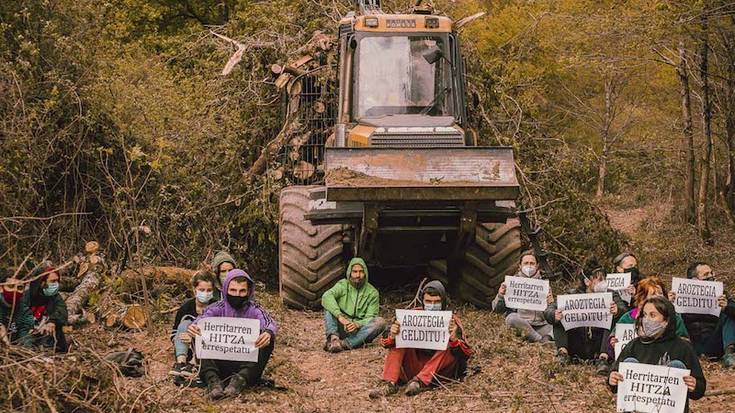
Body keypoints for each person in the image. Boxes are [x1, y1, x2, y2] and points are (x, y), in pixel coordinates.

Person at [369, 280, 472, 398]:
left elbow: (467, 354)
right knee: (400, 337)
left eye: (437, 302)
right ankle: (389, 383)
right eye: (428, 301)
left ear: (443, 302)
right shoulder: (412, 316)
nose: (432, 305)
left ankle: (420, 382)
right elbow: (386, 343)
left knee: (447, 343)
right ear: (422, 302)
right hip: (413, 368)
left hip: (437, 373)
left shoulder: (452, 321)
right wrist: (392, 335)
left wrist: (454, 340)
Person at [188, 269, 277, 399]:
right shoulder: (216, 307)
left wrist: (268, 333)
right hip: (218, 361)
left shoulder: (255, 309)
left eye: (242, 291)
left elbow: (270, 323)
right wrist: (194, 327)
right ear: (225, 290)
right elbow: (201, 319)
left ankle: (239, 381)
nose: (237, 295)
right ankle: (213, 381)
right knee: (199, 333)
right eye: (233, 290)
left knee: (268, 338)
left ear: (248, 292)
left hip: (246, 365)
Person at [609, 296, 706, 413]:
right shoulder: (634, 345)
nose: (646, 319)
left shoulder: (683, 347)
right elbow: (614, 377)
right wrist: (612, 379)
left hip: (668, 408)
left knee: (676, 365)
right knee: (630, 362)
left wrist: (694, 385)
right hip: (638, 408)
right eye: (644, 315)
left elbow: (700, 388)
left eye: (652, 315)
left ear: (666, 321)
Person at [546, 260, 619, 375]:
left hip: (598, 343)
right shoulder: (572, 295)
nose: (603, 283)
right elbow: (550, 311)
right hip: (577, 343)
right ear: (587, 281)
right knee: (560, 317)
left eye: (604, 279)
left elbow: (623, 309)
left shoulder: (611, 295)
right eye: (599, 280)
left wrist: (617, 310)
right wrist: (554, 315)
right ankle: (563, 354)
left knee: (611, 320)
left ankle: (603, 359)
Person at [668, 262, 735, 368]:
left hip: (715, 342)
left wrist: (727, 308)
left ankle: (730, 354)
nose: (711, 276)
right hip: (690, 343)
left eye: (711, 273)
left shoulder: (721, 294)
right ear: (694, 280)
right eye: (706, 275)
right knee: (674, 316)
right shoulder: (679, 295)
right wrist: (669, 304)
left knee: (728, 315)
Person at [608, 276, 689, 360]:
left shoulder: (674, 318)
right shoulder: (627, 318)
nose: (658, 297)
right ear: (642, 298)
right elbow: (613, 344)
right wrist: (613, 344)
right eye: (653, 294)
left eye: (660, 293)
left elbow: (685, 343)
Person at [321, 257, 386, 352]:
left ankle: (344, 344)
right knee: (329, 308)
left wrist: (357, 324)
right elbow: (326, 296)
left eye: (361, 272)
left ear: (365, 273)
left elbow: (371, 316)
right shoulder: (342, 285)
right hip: (341, 327)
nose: (358, 275)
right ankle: (334, 339)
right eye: (354, 272)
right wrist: (340, 317)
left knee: (380, 322)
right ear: (349, 273)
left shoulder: (372, 292)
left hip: (359, 332)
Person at [492, 251, 554, 343]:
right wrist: (501, 295)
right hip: (521, 324)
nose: (529, 266)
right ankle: (541, 340)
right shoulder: (511, 283)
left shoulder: (544, 286)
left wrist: (551, 303)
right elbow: (497, 309)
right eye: (526, 263)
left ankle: (540, 337)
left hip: (541, 325)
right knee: (511, 318)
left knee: (561, 323)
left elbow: (551, 315)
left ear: (537, 266)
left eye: (532, 263)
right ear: (520, 266)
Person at [169, 271, 218, 385]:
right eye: (201, 290)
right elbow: (174, 333)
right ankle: (181, 364)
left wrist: (196, 338)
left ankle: (195, 366)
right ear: (194, 289)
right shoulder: (186, 307)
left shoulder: (217, 307)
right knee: (185, 323)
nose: (205, 293)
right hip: (188, 350)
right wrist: (184, 338)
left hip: (209, 349)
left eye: (209, 290)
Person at [23, 267, 69, 352]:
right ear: (42, 282)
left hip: (48, 334)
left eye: (57, 281)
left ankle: (48, 351)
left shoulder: (55, 297)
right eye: (52, 281)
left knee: (51, 331)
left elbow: (62, 310)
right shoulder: (27, 296)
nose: (56, 284)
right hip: (28, 333)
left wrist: (52, 321)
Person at [0, 272, 35, 345]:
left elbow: (25, 333)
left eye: (19, 288)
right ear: (1, 288)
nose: (15, 290)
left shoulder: (24, 310)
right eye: (11, 286)